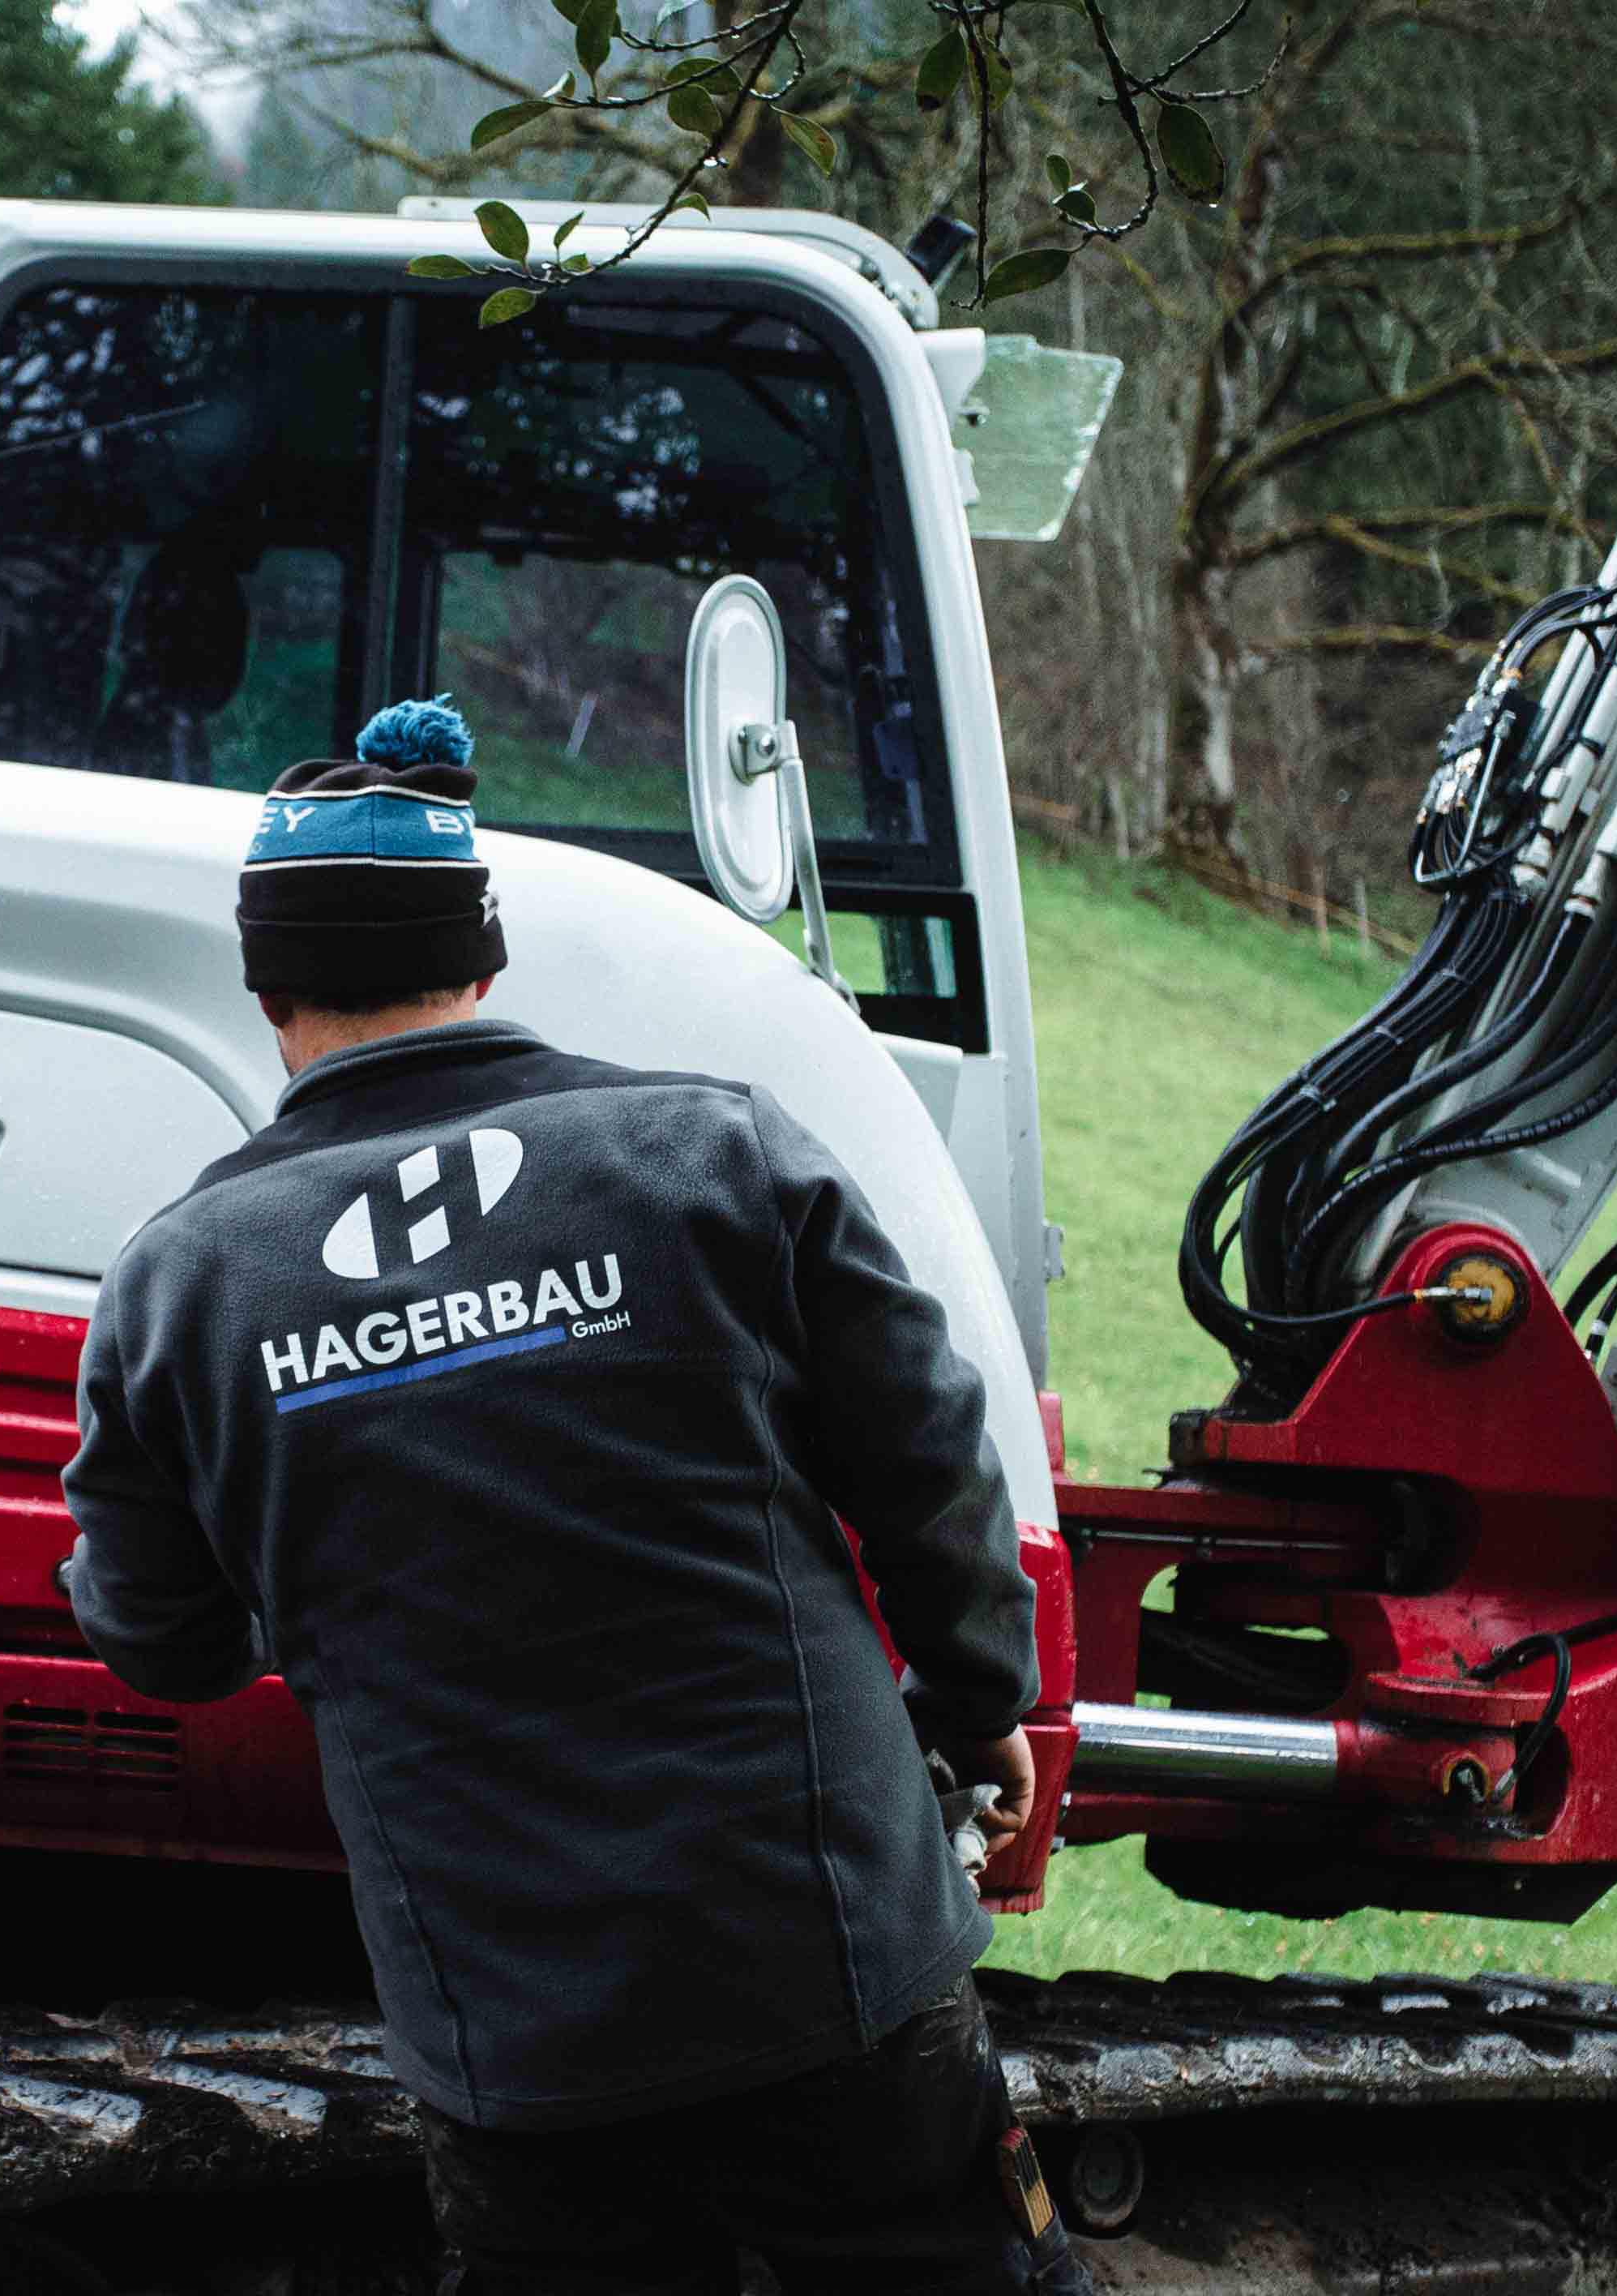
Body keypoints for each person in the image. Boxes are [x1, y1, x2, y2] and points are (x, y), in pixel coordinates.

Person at [60, 696, 1077, 2295]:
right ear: (482, 956)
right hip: (827, 1963)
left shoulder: (177, 1285)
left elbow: (163, 1644)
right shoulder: (713, 1155)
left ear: (269, 988)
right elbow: (926, 1459)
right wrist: (978, 1697)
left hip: (511, 2027)